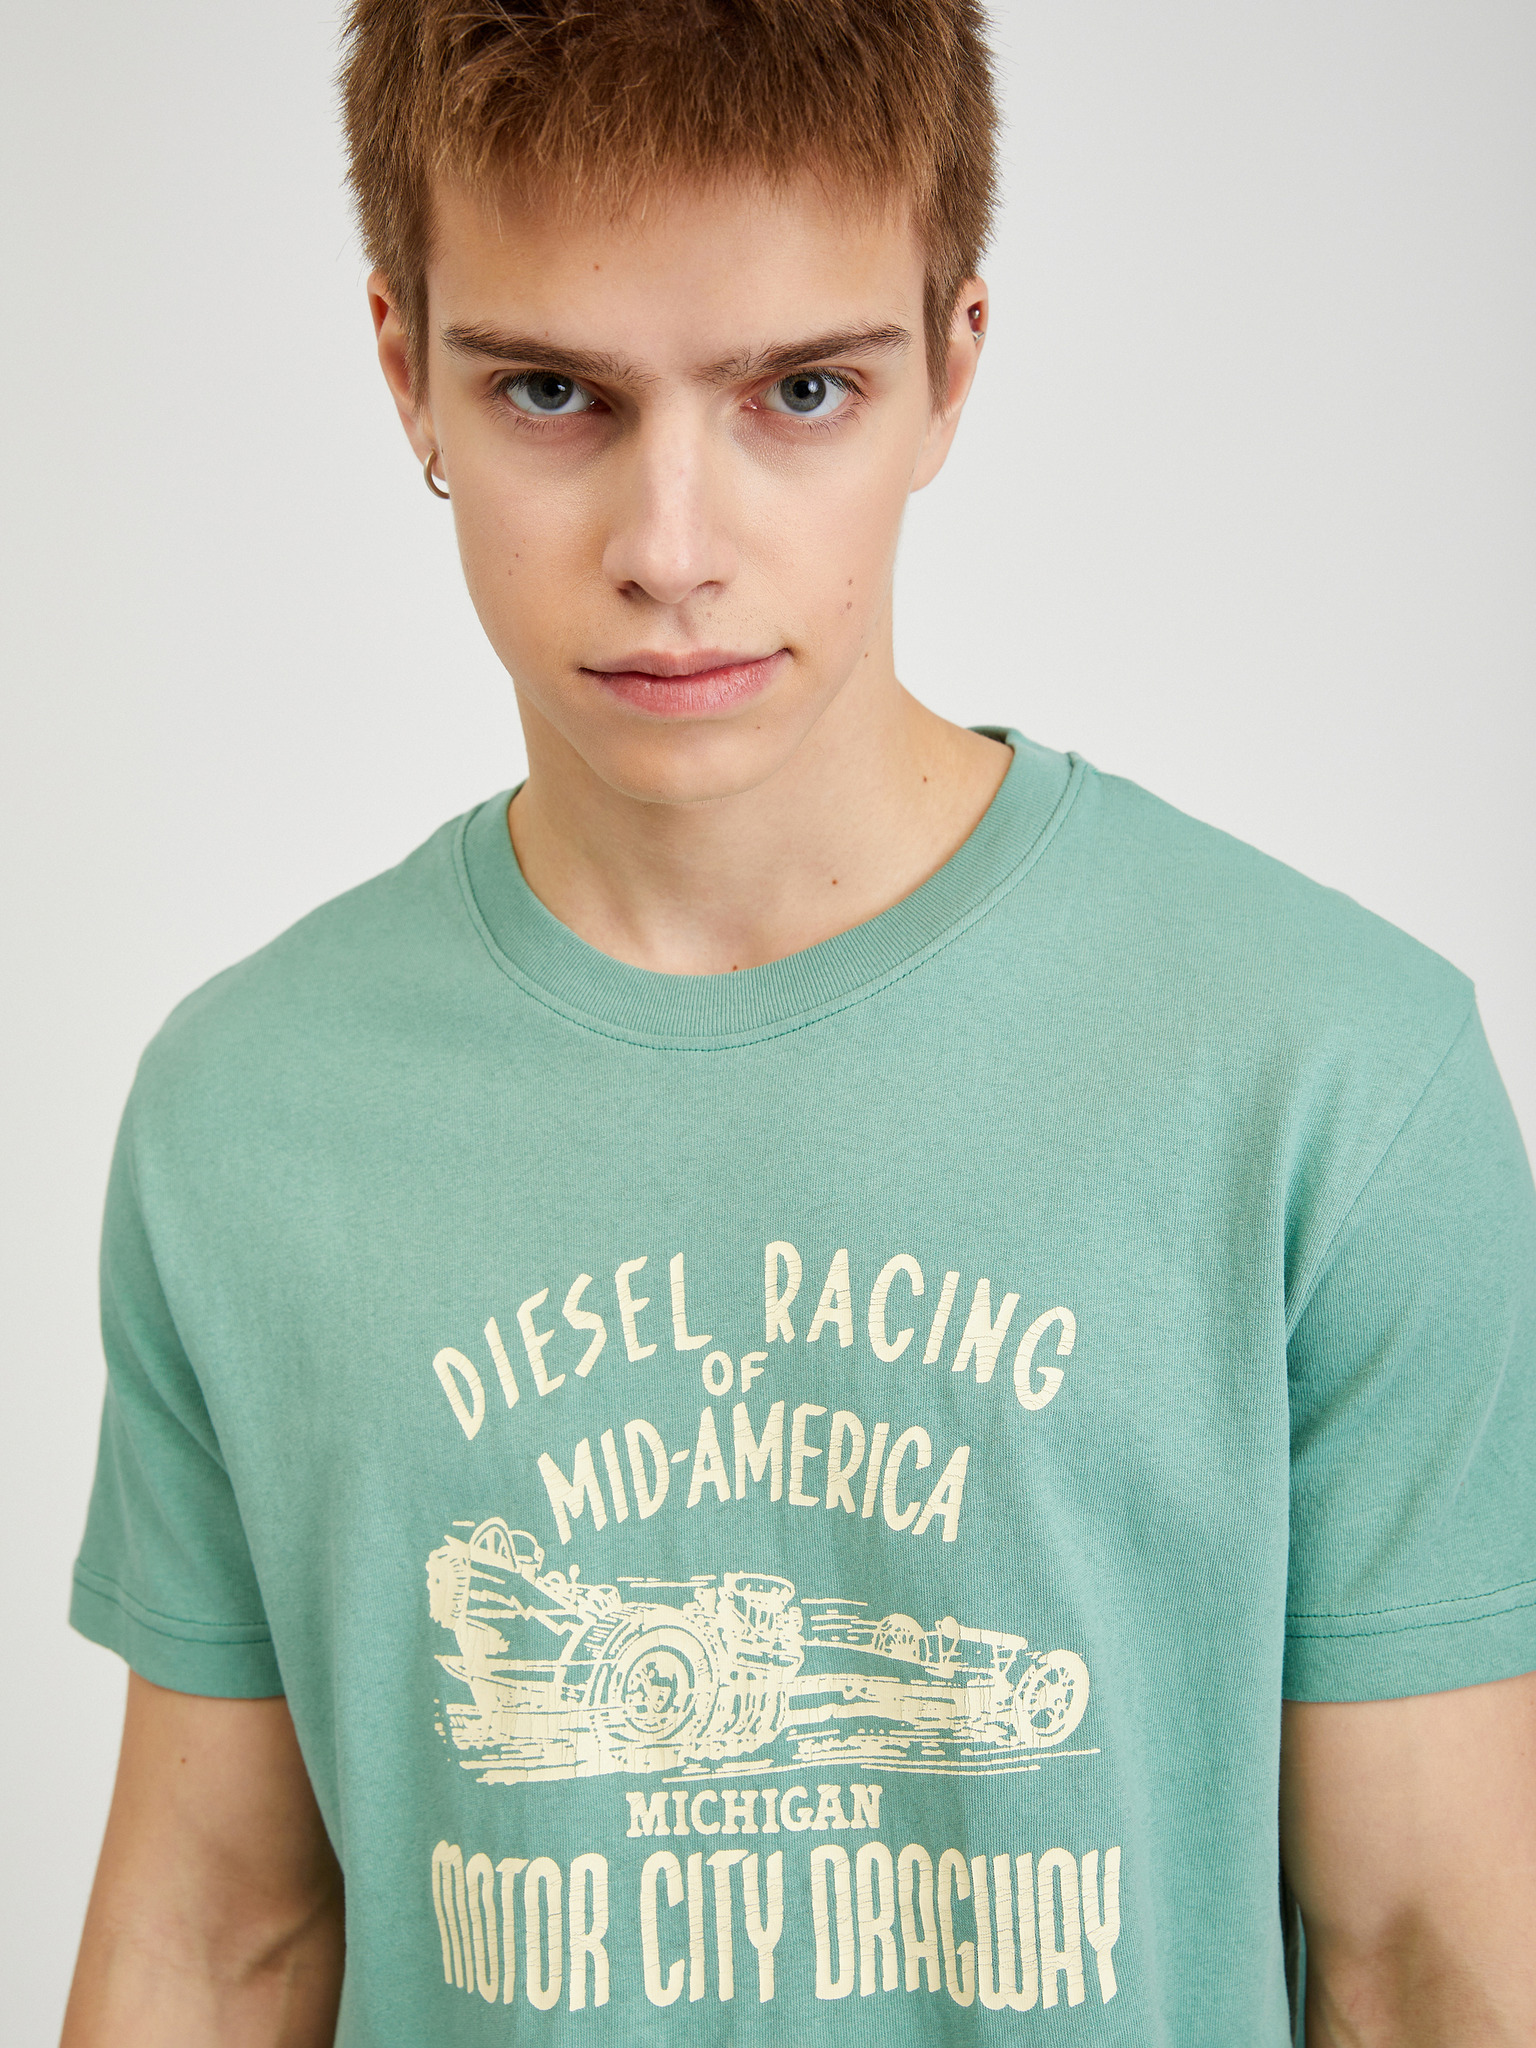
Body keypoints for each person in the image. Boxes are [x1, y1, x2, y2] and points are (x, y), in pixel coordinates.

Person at [59, 1, 1536, 2043]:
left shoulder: (1333, 1082)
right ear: (406, 371)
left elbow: (1429, 1964)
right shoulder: (247, 1118)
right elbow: (219, 1941)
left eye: (802, 391)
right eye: (555, 392)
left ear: (951, 370)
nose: (671, 550)